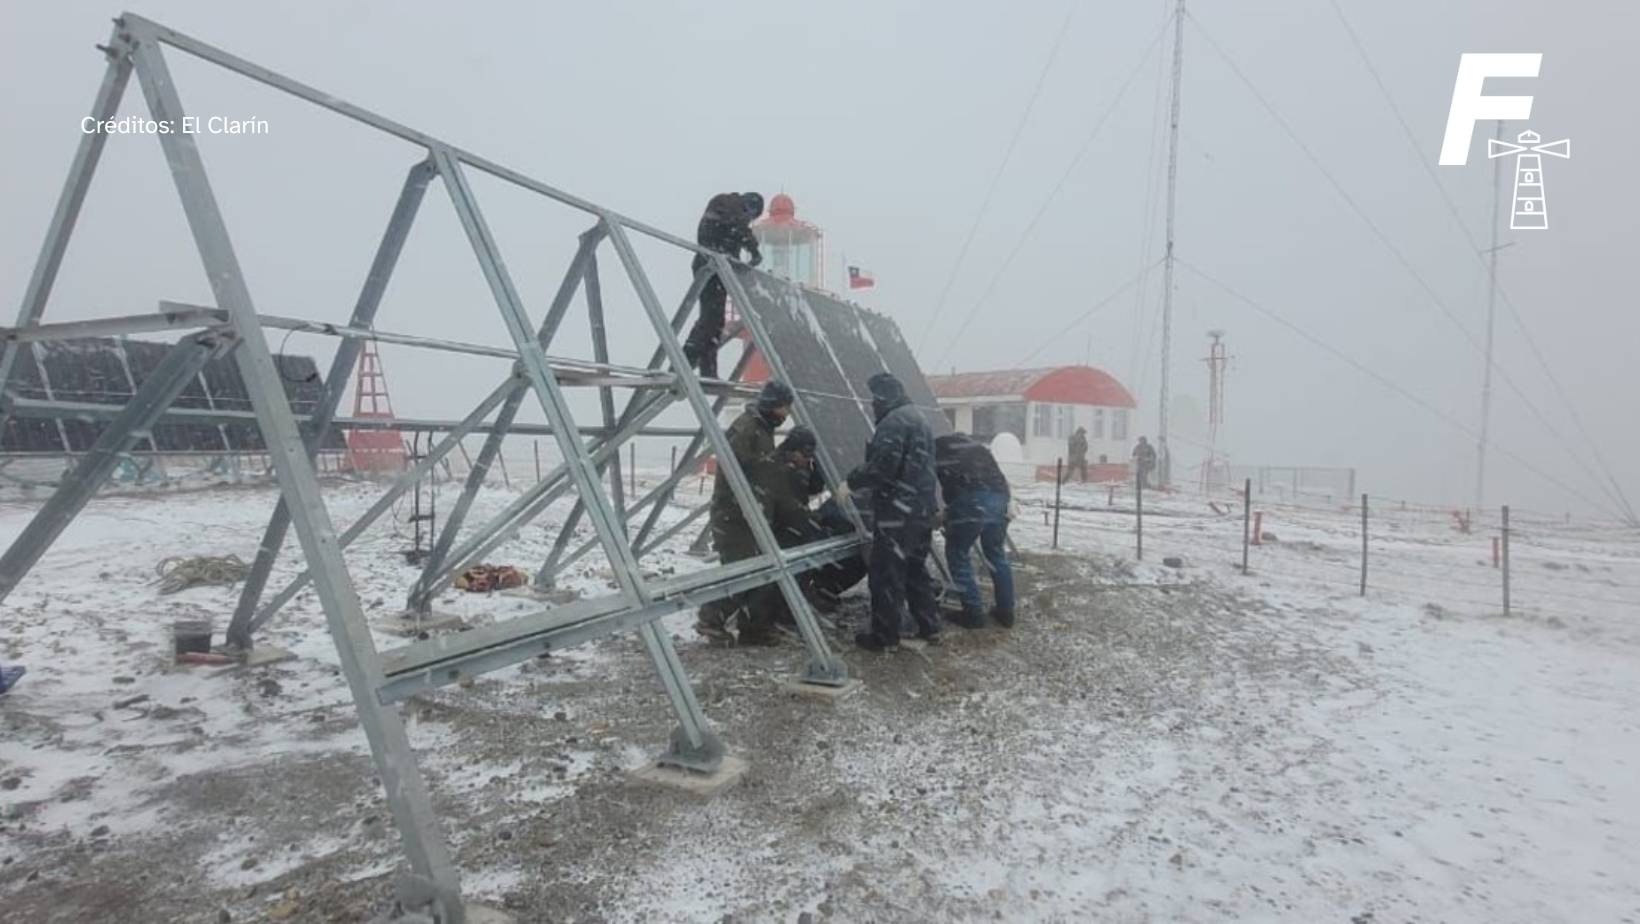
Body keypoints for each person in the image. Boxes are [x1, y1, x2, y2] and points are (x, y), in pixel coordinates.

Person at [841, 372, 940, 651]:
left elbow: (883, 466)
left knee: (887, 573)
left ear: (885, 397)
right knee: (915, 570)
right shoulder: (918, 417)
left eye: (875, 398)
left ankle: (884, 637)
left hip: (898, 513)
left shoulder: (894, 422)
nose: (873, 404)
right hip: (921, 509)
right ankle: (929, 626)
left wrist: (851, 481)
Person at [696, 379, 793, 645]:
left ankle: (754, 627)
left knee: (760, 570)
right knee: (741, 570)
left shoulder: (762, 427)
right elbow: (737, 468)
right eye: (784, 408)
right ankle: (710, 619)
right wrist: (774, 463)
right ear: (772, 404)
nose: (786, 415)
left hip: (751, 512)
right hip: (734, 514)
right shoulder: (747, 427)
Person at [935, 433, 1016, 629]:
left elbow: (949, 490)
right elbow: (999, 480)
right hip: (1001, 497)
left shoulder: (936, 451)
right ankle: (1006, 613)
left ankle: (973, 614)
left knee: (957, 553)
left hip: (974, 500)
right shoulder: (978, 449)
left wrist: (945, 514)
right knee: (996, 554)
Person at [683, 192, 764, 380]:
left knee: (715, 319)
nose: (750, 219)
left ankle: (707, 370)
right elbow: (738, 229)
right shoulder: (731, 205)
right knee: (710, 318)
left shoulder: (728, 209)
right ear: (750, 206)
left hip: (715, 267)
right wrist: (753, 250)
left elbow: (734, 229)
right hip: (710, 267)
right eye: (752, 215)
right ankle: (686, 360)